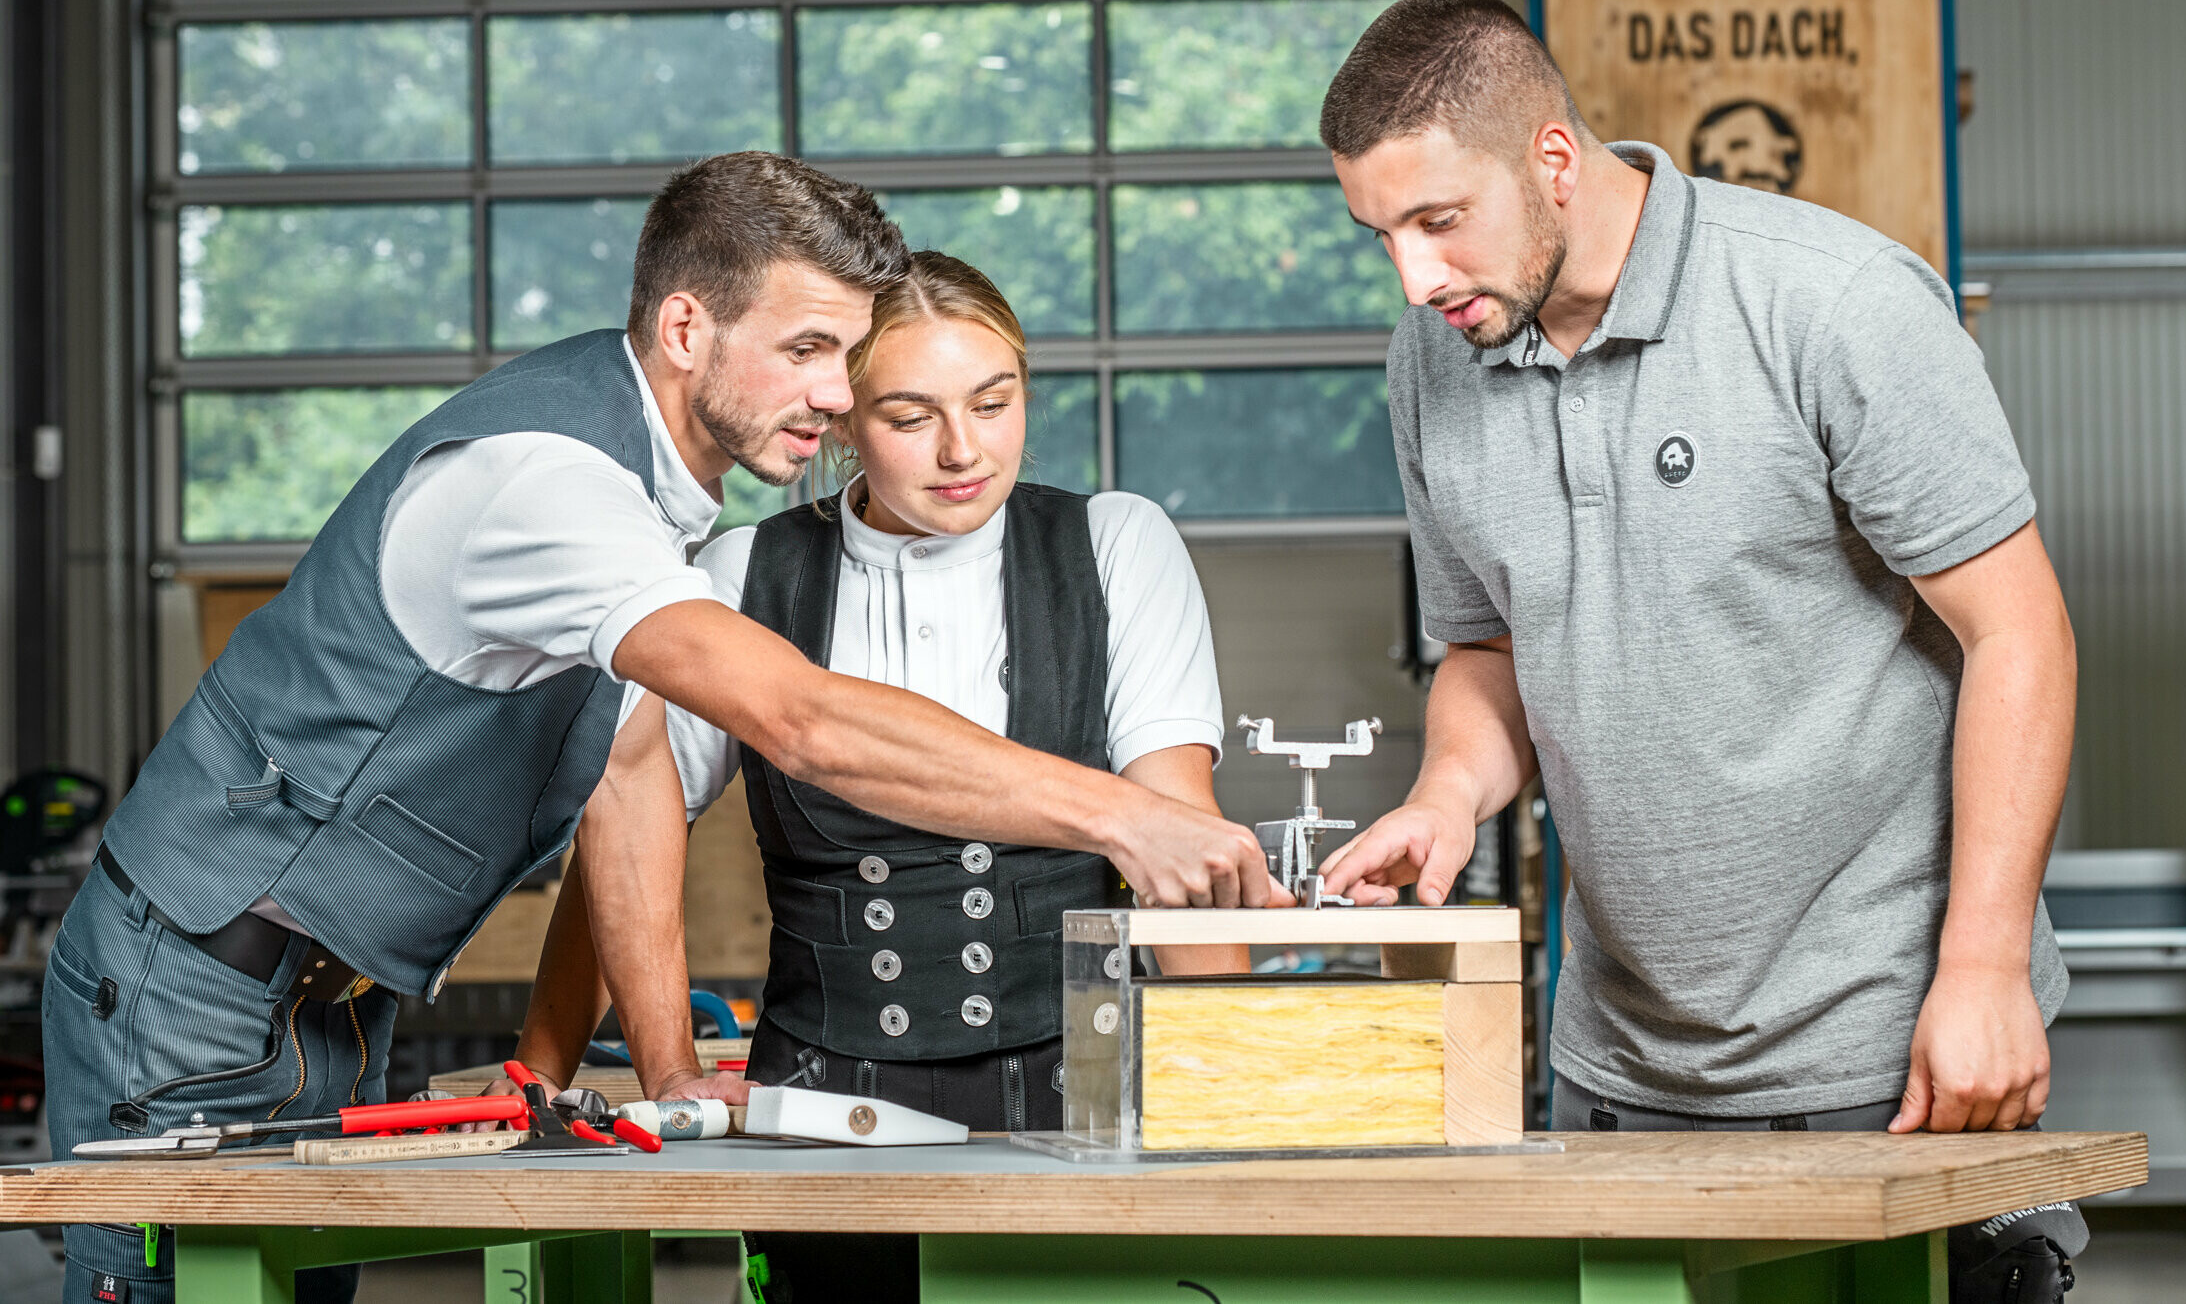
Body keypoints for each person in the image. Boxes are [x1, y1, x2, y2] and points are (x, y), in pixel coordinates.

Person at [43, 155, 1278, 1304]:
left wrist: (620, 1065)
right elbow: (796, 717)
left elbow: (620, 780)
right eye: (808, 350)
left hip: (326, 995)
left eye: (851, 357)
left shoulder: (662, 495)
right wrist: (1119, 811)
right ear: (687, 327)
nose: (838, 396)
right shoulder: (555, 487)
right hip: (196, 976)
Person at [1315, 0, 2086, 1301]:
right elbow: (1486, 645)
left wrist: (1983, 965)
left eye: (1439, 220)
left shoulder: (1830, 303)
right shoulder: (1431, 362)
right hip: (1614, 1072)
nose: (1414, 275)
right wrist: (1445, 795)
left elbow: (2018, 630)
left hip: (1883, 1057)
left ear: (1551, 158)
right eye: (1379, 231)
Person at [511, 251, 1248, 1301]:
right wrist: (580, 1064)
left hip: (1079, 1095)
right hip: (818, 1109)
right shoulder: (737, 576)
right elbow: (628, 824)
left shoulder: (1115, 544)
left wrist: (1250, 1105)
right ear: (841, 417)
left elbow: (1179, 833)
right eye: (909, 416)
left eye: (994, 403)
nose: (963, 449)